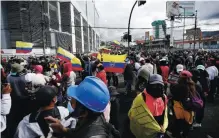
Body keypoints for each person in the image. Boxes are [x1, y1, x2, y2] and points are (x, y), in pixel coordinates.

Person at [45, 76, 120, 138]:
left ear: (83, 111)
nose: (70, 102)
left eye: (73, 101)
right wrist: (64, 130)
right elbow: (79, 132)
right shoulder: (93, 117)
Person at [123, 74, 168, 138]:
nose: (158, 88)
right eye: (154, 85)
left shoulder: (163, 97)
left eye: (160, 85)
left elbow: (164, 114)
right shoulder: (141, 98)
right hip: (143, 131)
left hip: (158, 129)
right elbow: (133, 115)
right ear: (149, 85)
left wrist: (161, 126)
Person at [6, 63, 32, 138]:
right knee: (24, 118)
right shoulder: (25, 77)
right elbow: (29, 89)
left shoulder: (9, 77)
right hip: (25, 100)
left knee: (14, 119)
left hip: (13, 100)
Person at [171, 70, 196, 138]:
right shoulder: (192, 85)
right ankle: (185, 135)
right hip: (188, 107)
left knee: (177, 121)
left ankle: (176, 134)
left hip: (178, 107)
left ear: (180, 78)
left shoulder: (178, 86)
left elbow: (173, 94)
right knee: (187, 122)